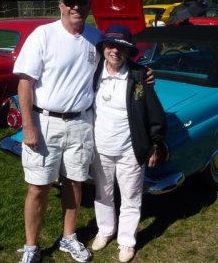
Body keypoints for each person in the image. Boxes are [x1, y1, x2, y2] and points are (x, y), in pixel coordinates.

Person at [13, 0, 102, 263]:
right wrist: (28, 126)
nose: (77, 7)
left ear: (89, 6)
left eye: (82, 2)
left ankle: (68, 238)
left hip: (81, 122)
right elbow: (25, 84)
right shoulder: (43, 35)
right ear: (61, 5)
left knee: (75, 183)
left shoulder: (96, 37)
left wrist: (143, 74)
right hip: (44, 122)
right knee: (38, 187)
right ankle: (31, 246)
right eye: (71, 1)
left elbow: (119, 63)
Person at [90, 25, 167, 263]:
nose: (115, 51)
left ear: (128, 51)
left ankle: (126, 241)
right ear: (103, 47)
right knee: (102, 193)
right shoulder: (92, 73)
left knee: (131, 198)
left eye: (122, 47)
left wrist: (156, 143)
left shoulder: (139, 76)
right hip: (100, 147)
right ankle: (105, 231)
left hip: (130, 150)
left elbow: (155, 113)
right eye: (111, 45)